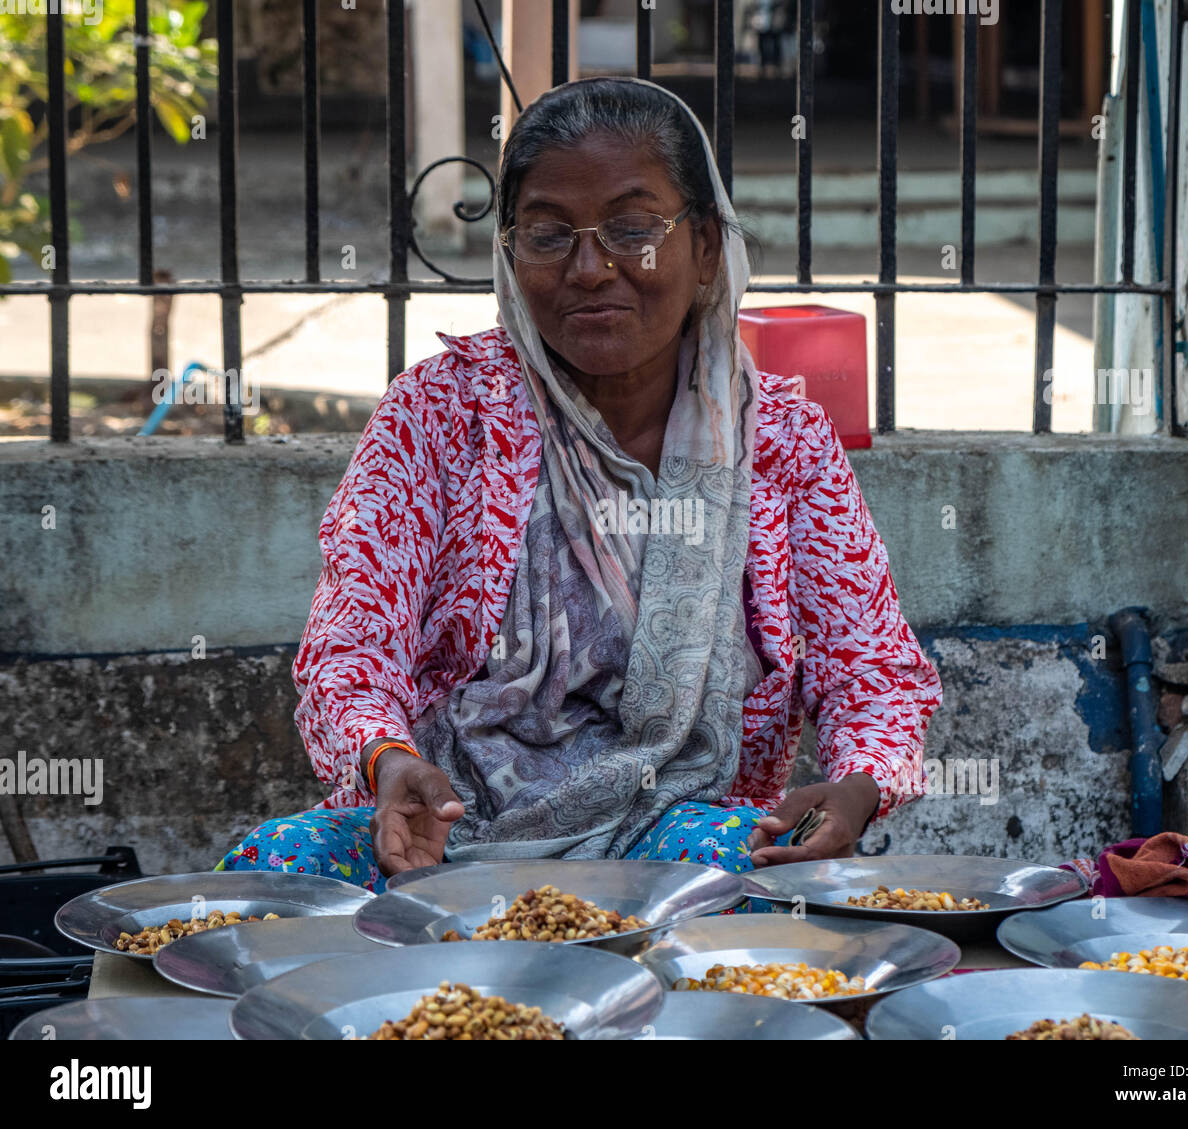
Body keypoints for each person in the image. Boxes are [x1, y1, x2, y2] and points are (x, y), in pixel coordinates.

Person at [216, 77, 941, 894]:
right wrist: (388, 761)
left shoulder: (777, 439)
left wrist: (858, 787)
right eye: (549, 234)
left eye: (633, 228)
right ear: (509, 251)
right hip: (443, 828)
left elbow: (871, 666)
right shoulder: (441, 411)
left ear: (704, 246)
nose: (591, 268)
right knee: (274, 874)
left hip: (676, 832)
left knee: (764, 887)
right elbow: (352, 644)